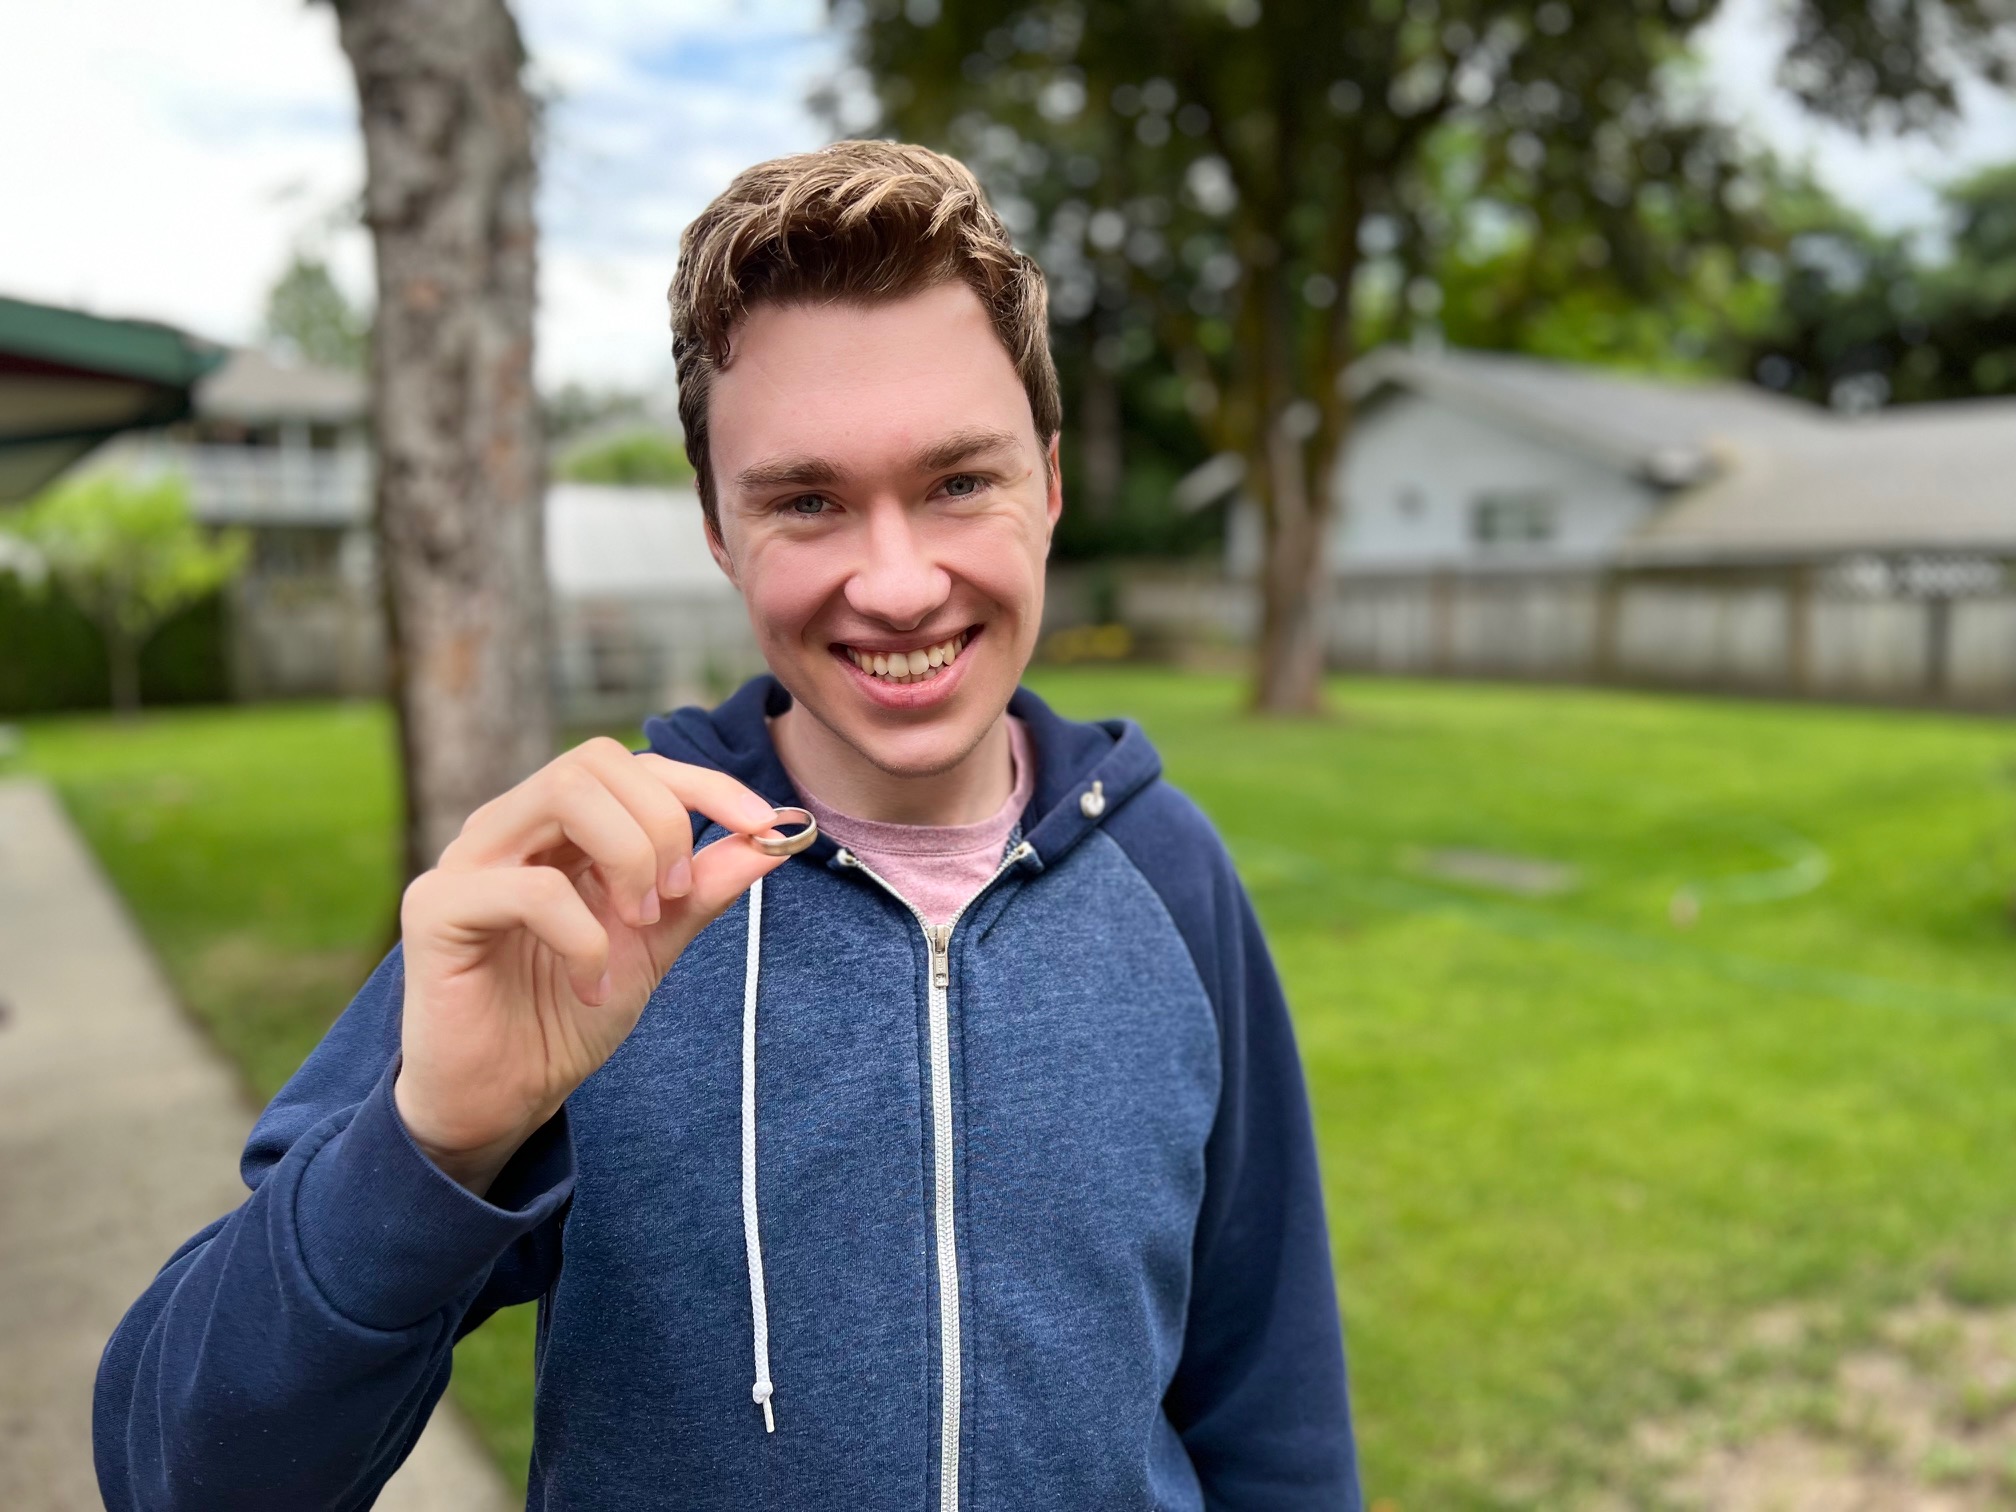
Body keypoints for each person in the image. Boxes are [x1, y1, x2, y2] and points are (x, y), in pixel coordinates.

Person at [94, 140, 1361, 1511]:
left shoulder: (1173, 880)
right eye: (807, 499)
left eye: (958, 482)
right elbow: (178, 1472)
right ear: (714, 524)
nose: (896, 582)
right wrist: (430, 1146)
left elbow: (1271, 1408)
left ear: (1047, 485)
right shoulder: (592, 896)